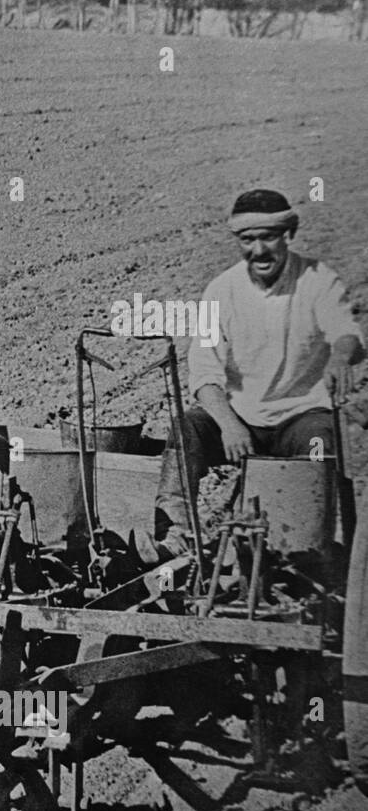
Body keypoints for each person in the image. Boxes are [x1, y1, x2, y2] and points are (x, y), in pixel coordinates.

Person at [137, 189, 362, 563]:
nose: (259, 251)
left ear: (287, 234)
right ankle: (176, 535)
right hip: (239, 418)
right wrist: (228, 424)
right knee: (188, 428)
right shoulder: (221, 291)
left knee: (320, 441)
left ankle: (304, 550)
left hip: (300, 417)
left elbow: (346, 333)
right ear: (237, 241)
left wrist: (340, 359)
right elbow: (204, 369)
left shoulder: (317, 280)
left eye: (268, 237)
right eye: (248, 239)